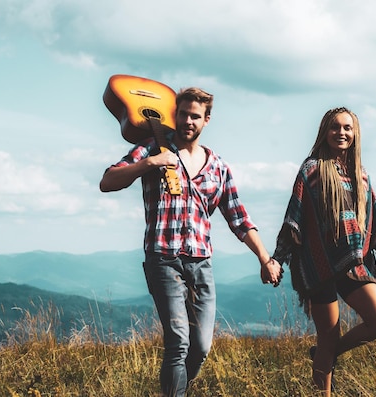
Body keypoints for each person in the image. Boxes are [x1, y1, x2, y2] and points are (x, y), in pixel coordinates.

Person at [100, 86, 283, 396]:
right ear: (175, 114)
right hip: (163, 258)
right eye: (183, 114)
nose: (187, 121)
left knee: (200, 346)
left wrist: (265, 259)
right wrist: (149, 164)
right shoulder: (151, 149)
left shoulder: (219, 167)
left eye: (195, 116)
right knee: (178, 342)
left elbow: (239, 218)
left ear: (206, 120)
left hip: (201, 262)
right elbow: (107, 181)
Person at [271, 107, 376, 395]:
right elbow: (294, 219)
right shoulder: (311, 170)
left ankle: (329, 352)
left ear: (355, 134)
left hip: (354, 264)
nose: (341, 132)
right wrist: (277, 259)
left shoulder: (361, 176)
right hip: (318, 265)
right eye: (335, 127)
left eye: (347, 128)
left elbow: (374, 226)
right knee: (327, 335)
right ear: (325, 131)